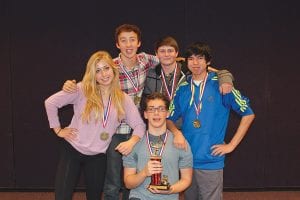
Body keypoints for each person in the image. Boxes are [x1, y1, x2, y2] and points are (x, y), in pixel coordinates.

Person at [44, 51, 145, 200]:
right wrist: (58, 130)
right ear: (92, 74)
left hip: (98, 156)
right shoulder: (82, 89)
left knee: (94, 197)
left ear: (113, 69)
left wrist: (132, 141)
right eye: (98, 70)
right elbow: (50, 103)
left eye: (106, 68)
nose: (104, 74)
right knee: (62, 196)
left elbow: (139, 125)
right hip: (72, 150)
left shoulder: (122, 99)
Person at [166, 42, 255, 200]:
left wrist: (231, 145)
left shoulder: (222, 85)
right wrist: (176, 133)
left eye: (200, 58)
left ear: (208, 61)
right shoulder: (183, 87)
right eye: (191, 59)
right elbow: (169, 119)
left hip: (210, 160)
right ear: (186, 62)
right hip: (187, 159)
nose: (195, 63)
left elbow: (248, 114)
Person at [123, 92, 193, 200]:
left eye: (161, 109)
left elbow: (186, 179)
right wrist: (144, 173)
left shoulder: (180, 142)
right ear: (145, 114)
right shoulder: (134, 143)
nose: (156, 113)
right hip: (140, 197)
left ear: (168, 113)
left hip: (169, 197)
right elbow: (128, 183)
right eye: (151, 109)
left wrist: (171, 189)